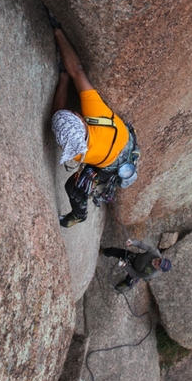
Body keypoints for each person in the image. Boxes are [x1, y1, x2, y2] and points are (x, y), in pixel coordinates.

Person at [49, 19, 139, 228]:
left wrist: (63, 80)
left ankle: (78, 215)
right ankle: (79, 215)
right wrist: (58, 31)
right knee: (76, 184)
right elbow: (78, 71)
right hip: (124, 143)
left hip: (112, 162)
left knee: (74, 187)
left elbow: (56, 114)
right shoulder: (96, 113)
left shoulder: (79, 153)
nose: (75, 111)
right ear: (81, 119)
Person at [101, 238, 171, 291]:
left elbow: (137, 274)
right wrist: (132, 242)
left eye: (159, 264)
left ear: (158, 269)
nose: (157, 262)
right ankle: (105, 251)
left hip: (137, 271)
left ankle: (127, 284)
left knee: (130, 279)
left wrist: (125, 266)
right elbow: (141, 245)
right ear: (162, 258)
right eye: (160, 260)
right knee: (115, 251)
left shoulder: (151, 273)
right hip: (133, 257)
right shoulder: (155, 252)